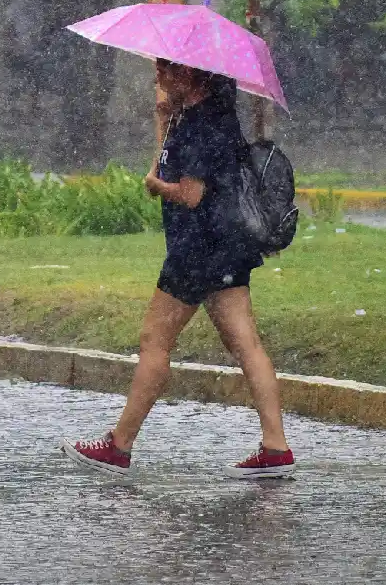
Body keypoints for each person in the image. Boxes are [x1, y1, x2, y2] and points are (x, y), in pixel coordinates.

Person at [61, 59, 295, 478]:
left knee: (155, 341)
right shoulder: (198, 118)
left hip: (197, 251)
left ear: (189, 75)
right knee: (246, 344)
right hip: (224, 249)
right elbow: (166, 163)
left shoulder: (204, 125)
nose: (157, 76)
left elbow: (189, 194)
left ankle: (118, 445)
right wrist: (162, 119)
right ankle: (275, 447)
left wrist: (156, 186)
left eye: (164, 69)